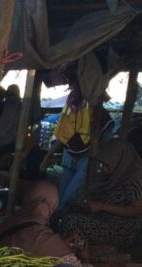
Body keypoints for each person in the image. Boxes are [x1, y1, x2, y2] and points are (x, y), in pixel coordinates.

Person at [56, 138, 142, 249]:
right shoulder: (112, 176)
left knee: (71, 222)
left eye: (107, 164)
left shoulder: (133, 180)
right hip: (101, 219)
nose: (103, 168)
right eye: (103, 164)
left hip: (119, 229)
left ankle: (75, 253)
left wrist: (102, 207)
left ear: (119, 160)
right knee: (63, 214)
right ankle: (74, 249)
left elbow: (138, 210)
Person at [40, 65, 92, 209]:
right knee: (62, 196)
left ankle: (62, 223)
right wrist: (47, 157)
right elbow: (63, 134)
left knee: (69, 197)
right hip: (70, 156)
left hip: (86, 158)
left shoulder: (92, 108)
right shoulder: (71, 105)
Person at [0, 181, 72, 258]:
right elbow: (72, 261)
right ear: (52, 204)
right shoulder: (40, 236)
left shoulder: (10, 220)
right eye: (55, 203)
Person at [0, 85, 22, 182]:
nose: (10, 97)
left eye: (13, 94)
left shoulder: (22, 108)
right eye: (8, 94)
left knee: (4, 166)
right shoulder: (1, 107)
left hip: (11, 144)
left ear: (17, 95)